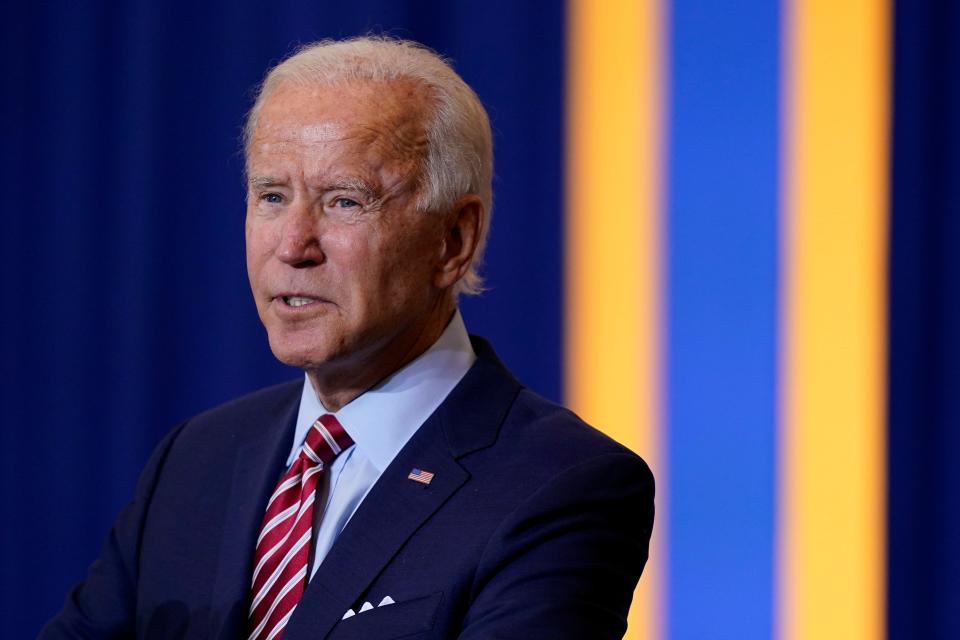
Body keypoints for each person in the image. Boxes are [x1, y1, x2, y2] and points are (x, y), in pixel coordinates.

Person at [41, 36, 654, 640]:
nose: (292, 245)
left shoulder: (561, 485)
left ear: (453, 240)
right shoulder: (197, 459)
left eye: (343, 202)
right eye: (272, 196)